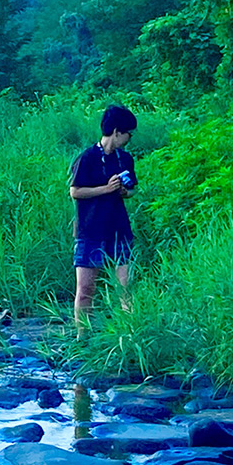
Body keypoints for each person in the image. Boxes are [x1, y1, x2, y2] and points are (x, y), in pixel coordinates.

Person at [69, 105, 138, 334]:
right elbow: (75, 191)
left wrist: (122, 192)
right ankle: (83, 337)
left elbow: (132, 190)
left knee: (125, 287)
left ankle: (129, 335)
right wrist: (105, 189)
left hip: (119, 228)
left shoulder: (125, 159)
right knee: (86, 288)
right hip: (90, 230)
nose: (129, 138)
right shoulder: (87, 158)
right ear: (117, 132)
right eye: (129, 133)